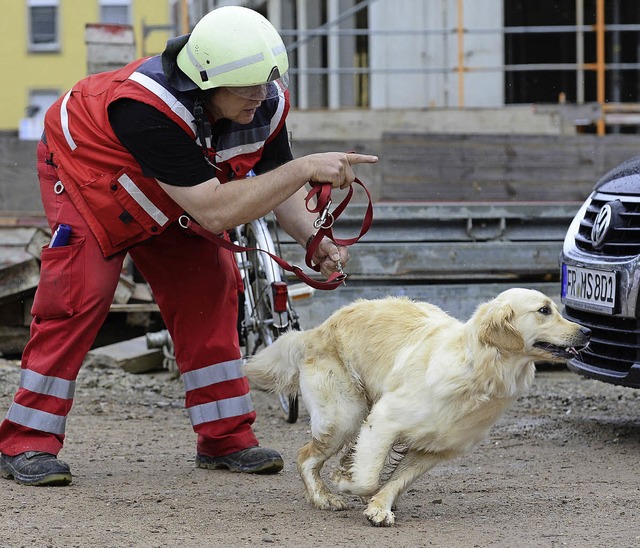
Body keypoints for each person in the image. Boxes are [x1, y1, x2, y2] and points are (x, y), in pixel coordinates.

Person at [0, 5, 377, 486]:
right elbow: (217, 209)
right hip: (88, 176)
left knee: (211, 287)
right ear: (206, 80)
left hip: (178, 188)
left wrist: (314, 239)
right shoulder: (146, 109)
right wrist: (305, 167)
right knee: (78, 296)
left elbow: (272, 181)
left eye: (266, 83)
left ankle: (224, 438)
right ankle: (25, 441)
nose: (261, 98)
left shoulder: (263, 100)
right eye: (247, 87)